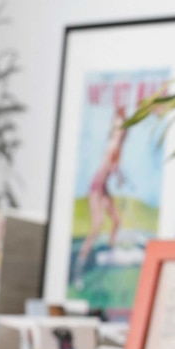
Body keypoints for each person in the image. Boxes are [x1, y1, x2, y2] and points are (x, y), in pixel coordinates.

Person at [73, 104, 127, 288]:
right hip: (97, 186)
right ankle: (80, 265)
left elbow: (113, 168)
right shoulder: (112, 145)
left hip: (103, 187)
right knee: (97, 224)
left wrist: (118, 176)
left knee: (116, 221)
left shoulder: (117, 149)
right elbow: (105, 169)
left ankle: (109, 252)